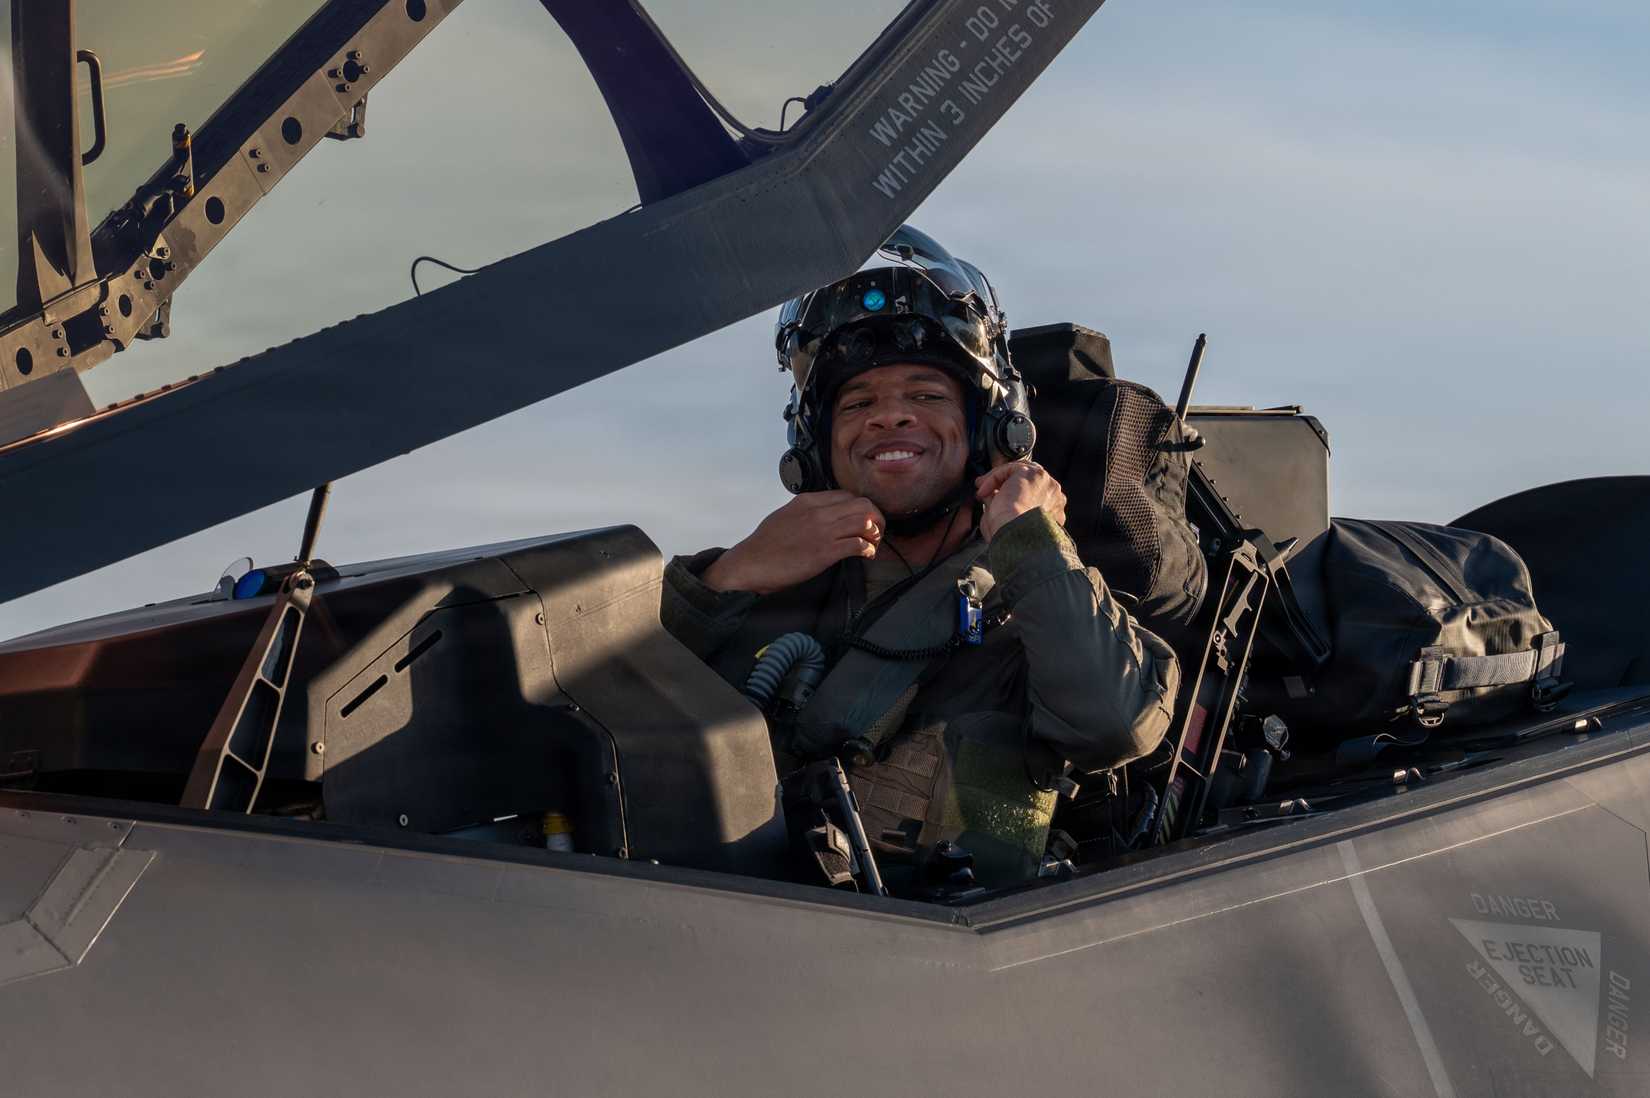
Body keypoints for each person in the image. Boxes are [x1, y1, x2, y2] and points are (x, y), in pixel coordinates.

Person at [660, 226, 1180, 893]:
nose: (889, 418)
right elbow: (609, 721)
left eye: (927, 396)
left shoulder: (1039, 598)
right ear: (816, 441)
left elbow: (1114, 721)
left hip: (955, 960)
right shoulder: (769, 591)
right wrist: (727, 578)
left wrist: (1029, 540)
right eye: (859, 402)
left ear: (995, 426)